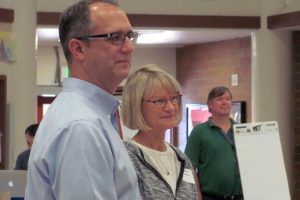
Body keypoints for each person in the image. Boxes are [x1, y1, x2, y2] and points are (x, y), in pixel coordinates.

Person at [25, 1, 141, 199]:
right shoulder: (81, 127)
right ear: (78, 49)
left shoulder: (90, 115)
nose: (129, 47)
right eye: (115, 37)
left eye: (129, 36)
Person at [121, 64, 202, 200]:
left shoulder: (181, 159)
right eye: (160, 101)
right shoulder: (125, 157)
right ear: (136, 105)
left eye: (173, 99)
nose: (170, 107)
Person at [185, 86, 243, 200]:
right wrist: (197, 195)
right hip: (210, 197)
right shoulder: (199, 132)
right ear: (210, 104)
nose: (224, 102)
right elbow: (189, 167)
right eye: (220, 99)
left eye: (228, 99)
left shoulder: (242, 130)